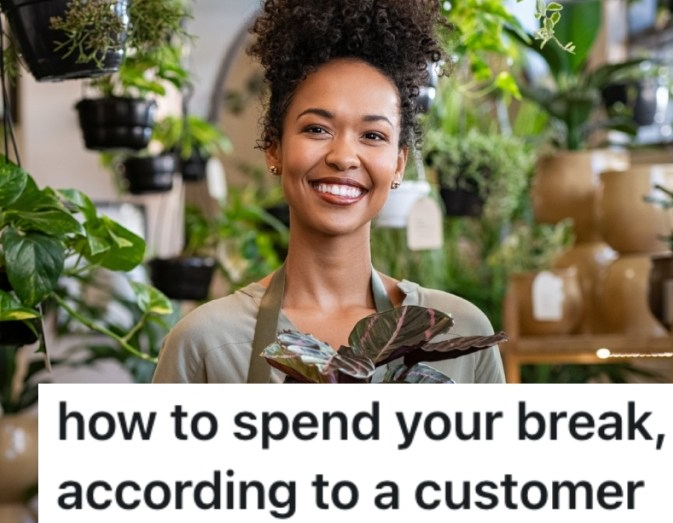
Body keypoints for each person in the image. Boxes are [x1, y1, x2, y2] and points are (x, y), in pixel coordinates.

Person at [152, 0, 504, 384]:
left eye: (373, 135)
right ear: (274, 148)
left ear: (398, 164)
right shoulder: (206, 343)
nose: (343, 157)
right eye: (317, 129)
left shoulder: (461, 334)